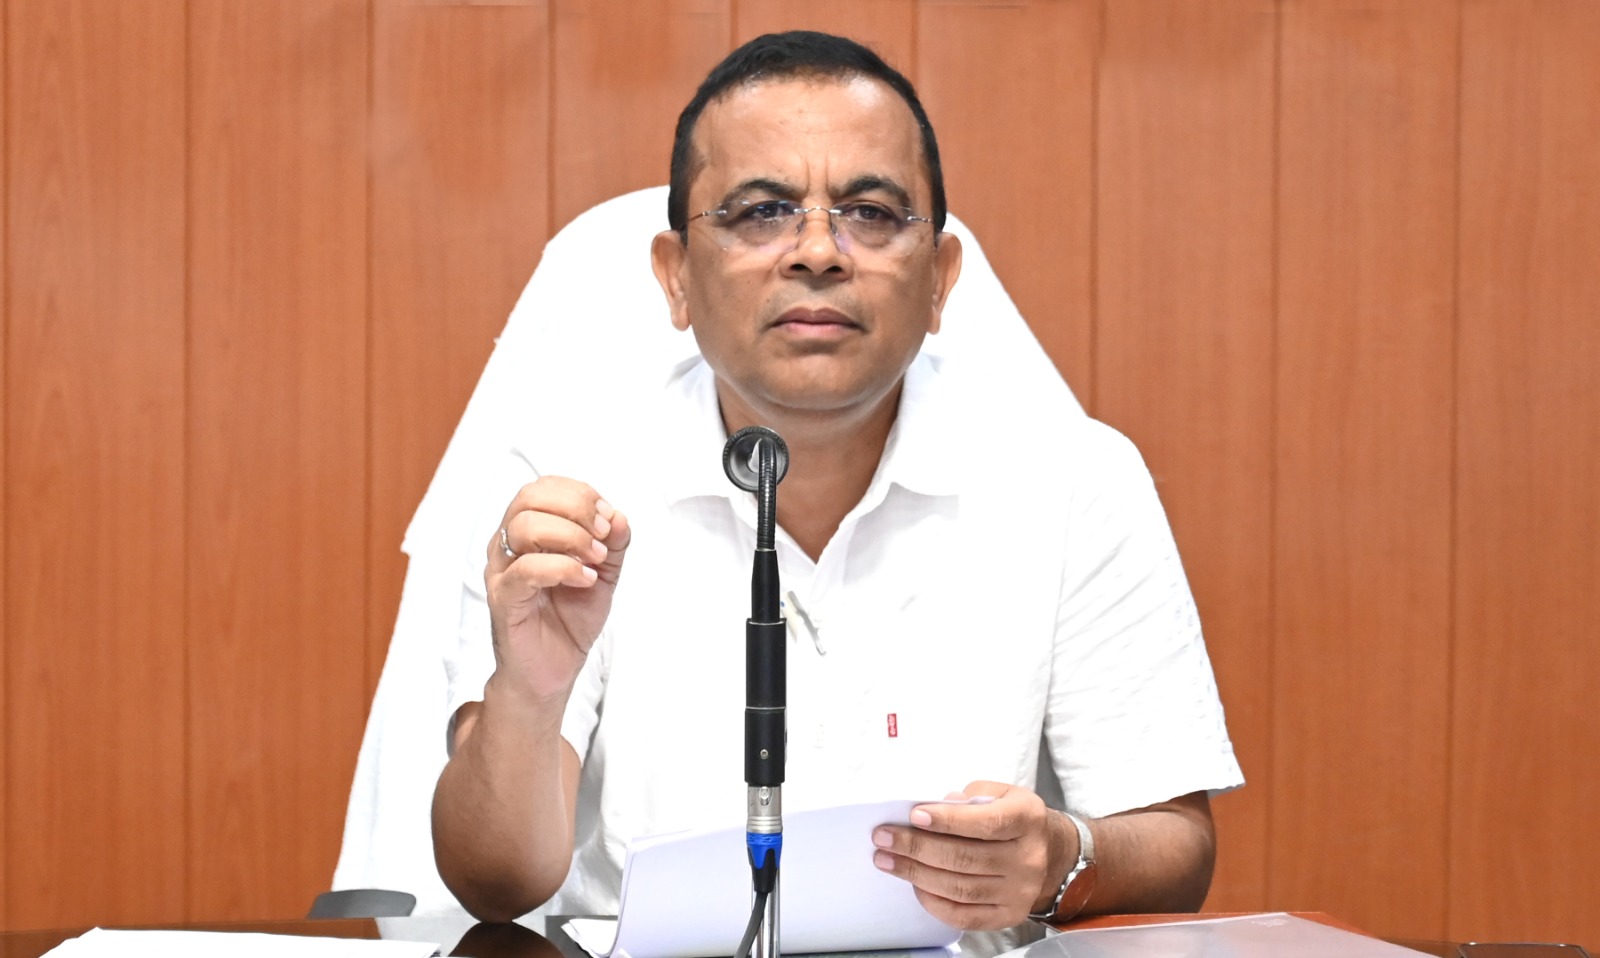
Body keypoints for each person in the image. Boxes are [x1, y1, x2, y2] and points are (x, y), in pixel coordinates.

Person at [431, 30, 1243, 932]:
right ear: (676, 278)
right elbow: (495, 882)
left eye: (870, 211)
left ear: (940, 281)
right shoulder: (568, 485)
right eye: (761, 211)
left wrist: (1059, 861)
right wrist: (528, 697)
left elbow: (1174, 846)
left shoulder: (1073, 475)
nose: (817, 252)